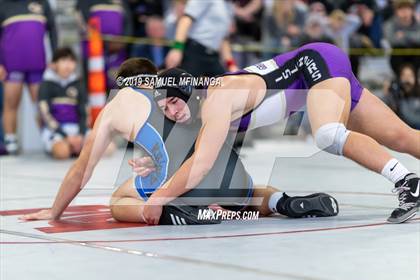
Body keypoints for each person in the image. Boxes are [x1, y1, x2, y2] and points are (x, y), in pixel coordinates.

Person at [19, 58, 339, 224]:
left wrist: (55, 211)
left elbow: (82, 170)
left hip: (185, 185)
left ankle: (178, 211)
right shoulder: (188, 98)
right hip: (231, 179)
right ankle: (283, 202)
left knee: (119, 199)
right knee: (249, 190)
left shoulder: (117, 104)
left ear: (125, 83)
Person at [146, 42, 420, 224]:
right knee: (402, 137)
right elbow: (215, 168)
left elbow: (202, 164)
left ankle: (407, 182)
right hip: (319, 70)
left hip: (314, 63)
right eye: (164, 109)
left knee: (327, 134)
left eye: (173, 101)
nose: (171, 112)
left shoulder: (218, 99)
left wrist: (158, 198)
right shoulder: (206, 116)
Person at [0, 0, 57, 154]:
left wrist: (56, 58)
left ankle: (48, 140)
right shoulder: (3, 4)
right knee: (11, 103)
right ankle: (11, 139)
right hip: (12, 64)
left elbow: (53, 30)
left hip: (37, 63)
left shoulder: (43, 3)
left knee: (41, 105)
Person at [165, 0, 238, 76]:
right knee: (185, 85)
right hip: (194, 52)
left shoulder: (230, 7)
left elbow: (223, 39)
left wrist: (231, 65)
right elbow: (185, 20)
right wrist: (177, 48)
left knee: (223, 85)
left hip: (213, 56)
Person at [38, 48, 87, 159]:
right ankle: (72, 149)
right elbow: (45, 115)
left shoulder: (78, 84)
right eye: (64, 60)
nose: (68, 65)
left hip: (77, 130)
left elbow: (84, 112)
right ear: (54, 64)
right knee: (62, 152)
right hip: (56, 131)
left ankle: (76, 148)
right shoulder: (46, 85)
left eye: (71, 61)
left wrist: (81, 134)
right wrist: (66, 136)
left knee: (109, 148)